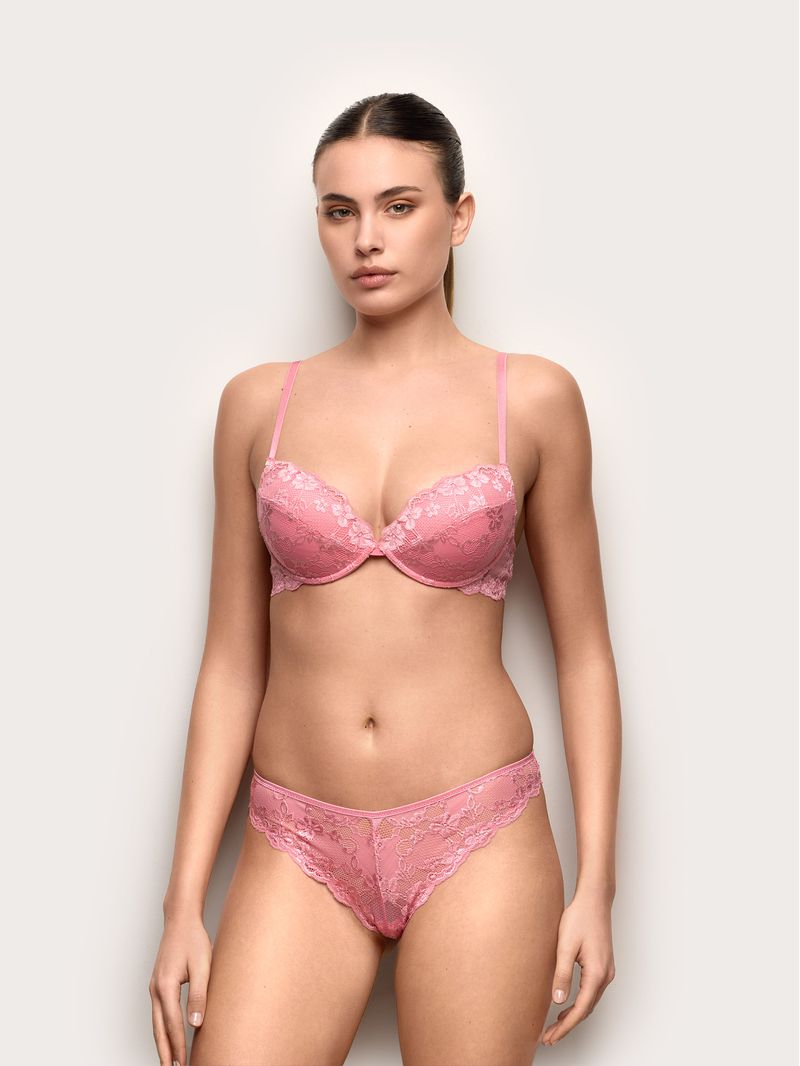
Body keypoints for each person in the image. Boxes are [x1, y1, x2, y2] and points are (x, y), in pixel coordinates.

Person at [149, 91, 621, 1066]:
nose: (366, 238)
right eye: (339, 211)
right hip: (295, 835)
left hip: (477, 828)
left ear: (459, 215)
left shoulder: (533, 398)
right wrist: (182, 903)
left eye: (399, 206)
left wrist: (596, 889)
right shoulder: (258, 405)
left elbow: (584, 656)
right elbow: (231, 664)